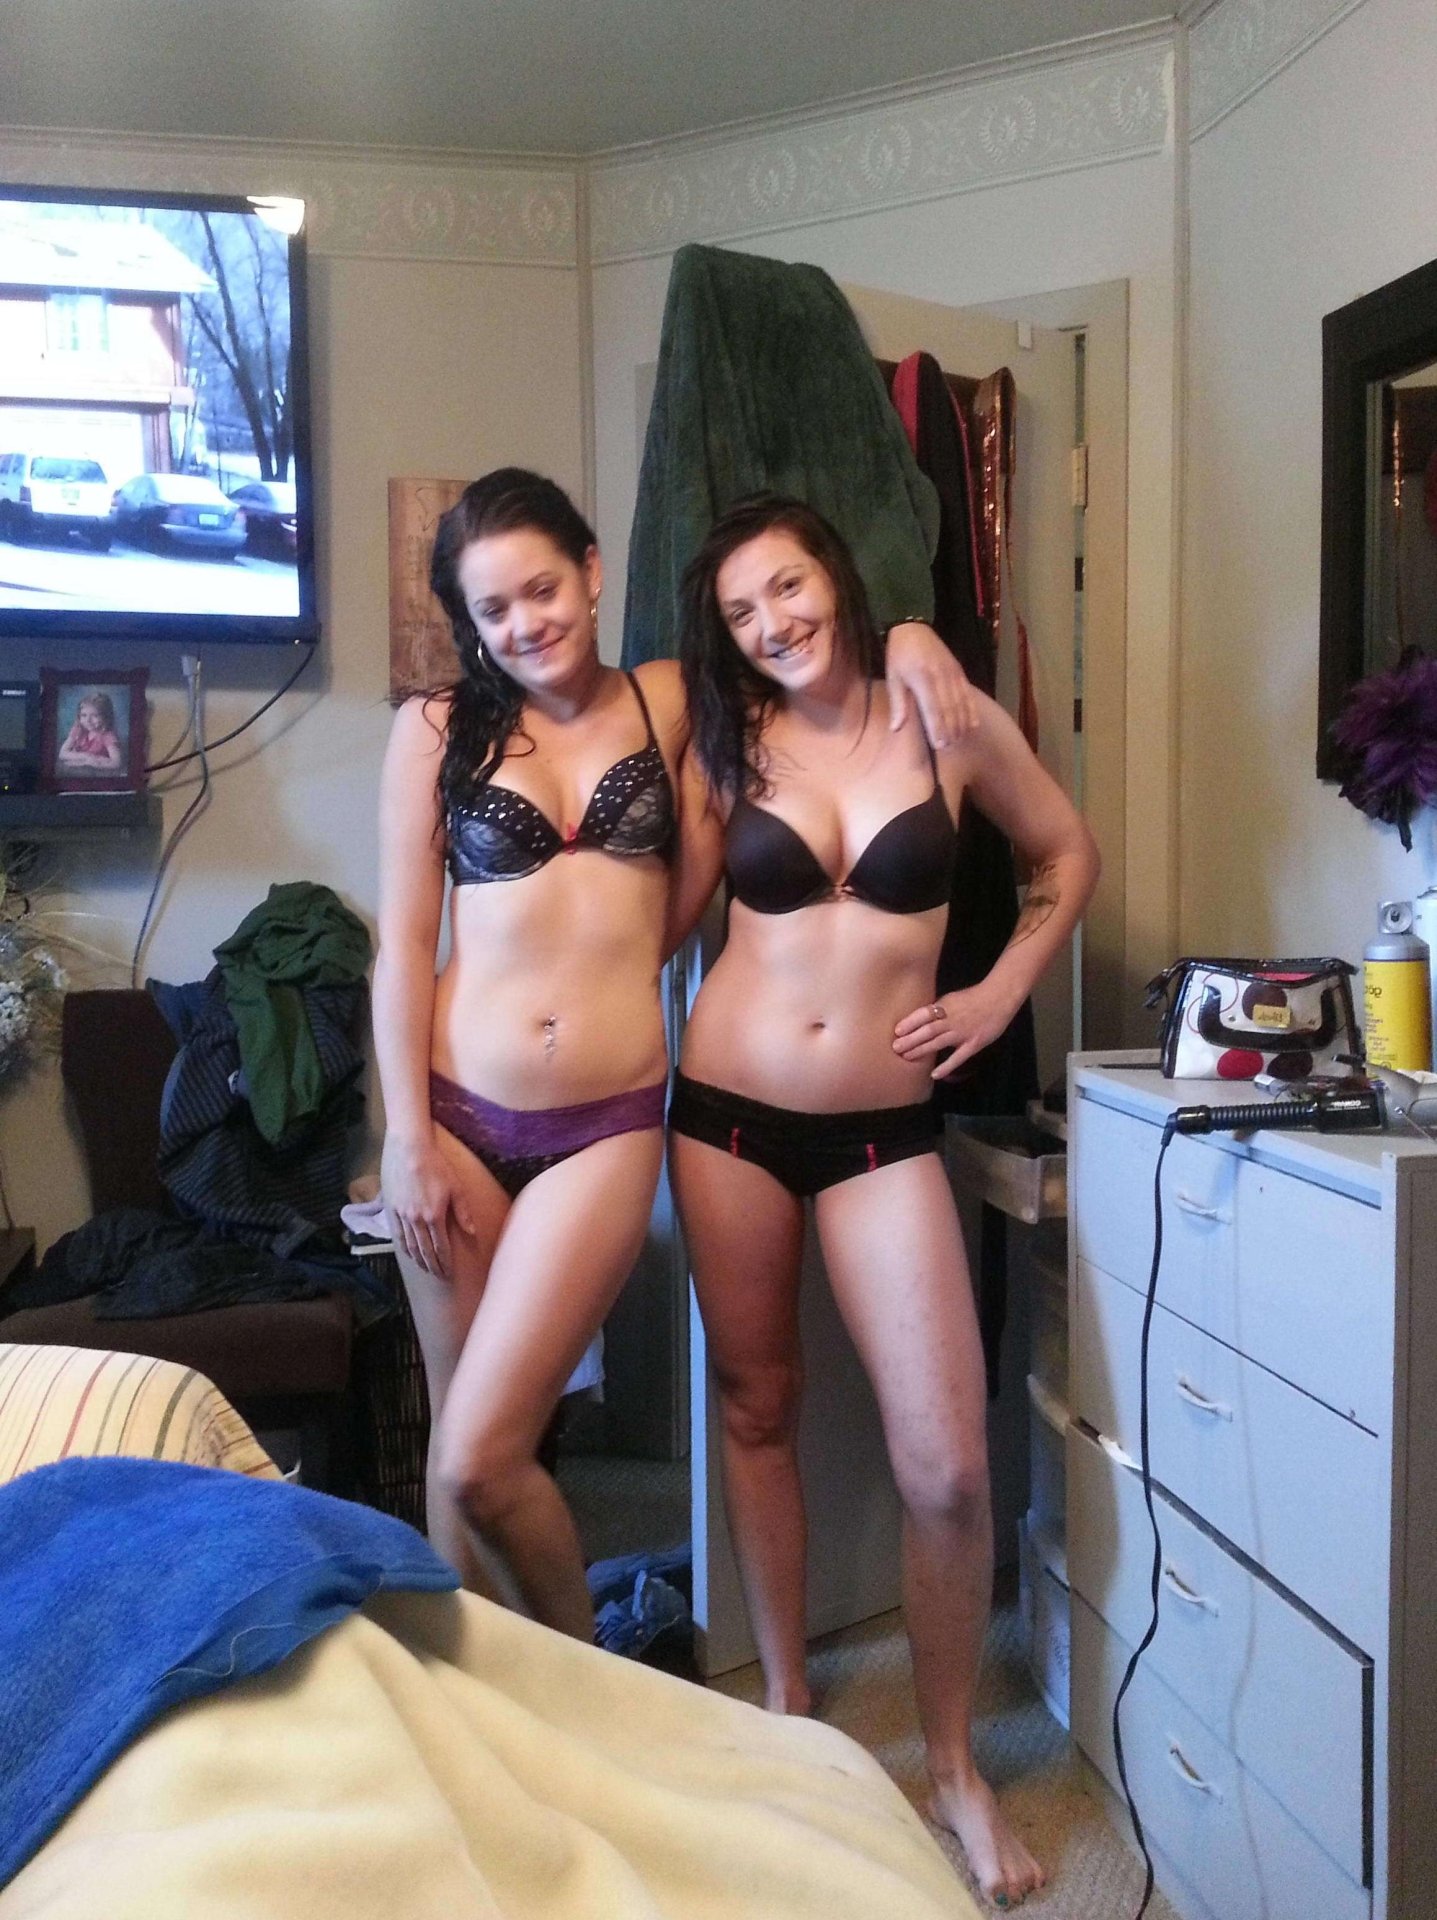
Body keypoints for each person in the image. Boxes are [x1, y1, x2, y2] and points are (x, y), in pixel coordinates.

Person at [372, 467, 973, 1642]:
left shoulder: (673, 699)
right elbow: (400, 946)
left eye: (543, 589)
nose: (524, 624)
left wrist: (911, 633)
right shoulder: (434, 730)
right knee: (460, 1452)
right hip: (453, 1113)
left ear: (592, 573)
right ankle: (478, 1704)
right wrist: (405, 1138)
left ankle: (586, 1689)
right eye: (492, 609)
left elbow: (806, 659)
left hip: (604, 1120)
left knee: (482, 1451)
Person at [669, 495, 1099, 1909]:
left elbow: (1066, 855)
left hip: (881, 1134)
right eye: (741, 612)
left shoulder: (944, 714)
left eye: (787, 588)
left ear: (838, 580)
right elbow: (648, 921)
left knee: (950, 1467)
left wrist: (999, 990)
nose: (771, 625)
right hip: (726, 1118)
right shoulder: (726, 737)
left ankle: (954, 1767)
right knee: (756, 1406)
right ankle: (790, 1707)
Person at [56, 692, 123, 773]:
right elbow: (62, 753)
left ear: (106, 717)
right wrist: (86, 756)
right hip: (82, 762)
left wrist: (88, 762)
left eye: (95, 715)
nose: (88, 720)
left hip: (94, 768)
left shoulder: (107, 736)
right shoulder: (78, 729)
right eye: (84, 715)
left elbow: (116, 763)